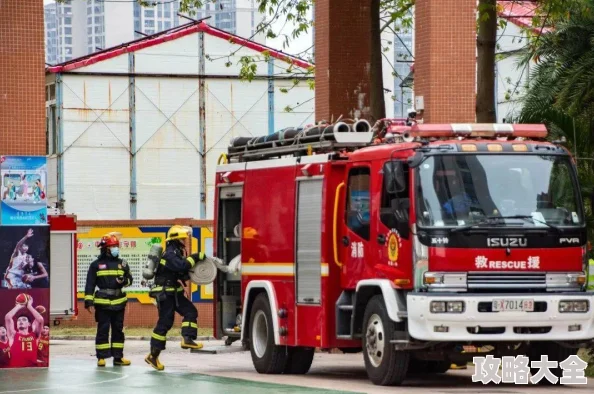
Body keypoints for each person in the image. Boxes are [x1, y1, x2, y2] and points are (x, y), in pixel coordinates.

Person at [145, 225, 205, 371]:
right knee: (165, 322)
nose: (184, 240)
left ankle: (187, 339)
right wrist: (195, 257)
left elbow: (181, 271)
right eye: (182, 238)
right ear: (176, 239)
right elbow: (180, 266)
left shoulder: (176, 252)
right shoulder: (170, 253)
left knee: (191, 311)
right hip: (165, 293)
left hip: (174, 292)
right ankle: (153, 355)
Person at [84, 232, 133, 367]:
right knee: (103, 330)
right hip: (103, 304)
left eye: (117, 246)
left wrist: (123, 281)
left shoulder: (122, 264)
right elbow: (90, 284)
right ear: (106, 248)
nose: (116, 249)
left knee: (118, 330)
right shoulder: (96, 265)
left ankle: (118, 357)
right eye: (113, 246)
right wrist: (88, 301)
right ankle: (101, 357)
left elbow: (130, 280)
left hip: (119, 302)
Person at [4, 295, 44, 368]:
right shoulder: (13, 335)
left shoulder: (35, 334)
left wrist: (29, 306)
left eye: (24, 320)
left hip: (32, 370)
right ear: (17, 324)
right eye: (19, 320)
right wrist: (19, 305)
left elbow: (40, 320)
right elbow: (8, 317)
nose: (20, 321)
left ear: (29, 324)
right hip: (16, 371)